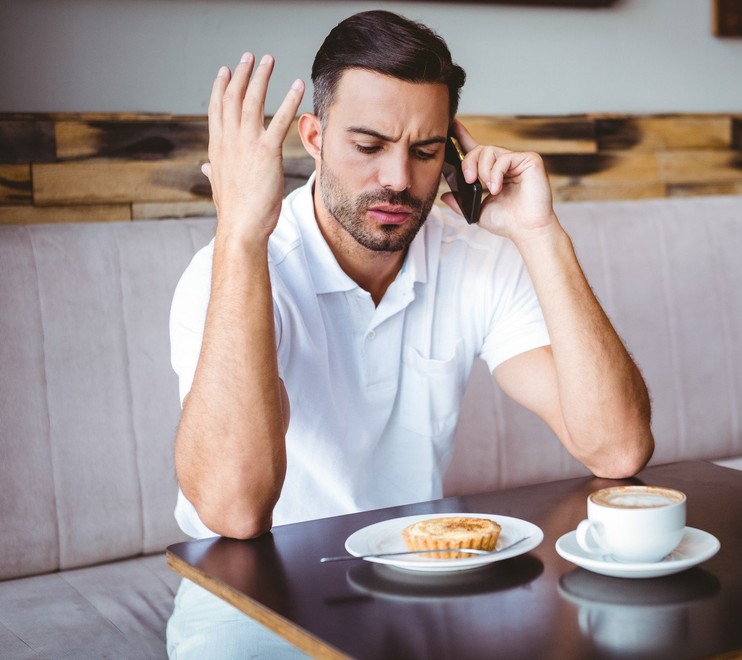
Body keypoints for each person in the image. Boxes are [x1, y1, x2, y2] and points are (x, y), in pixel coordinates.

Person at [167, 9, 654, 656]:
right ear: (312, 138)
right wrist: (239, 235)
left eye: (424, 151)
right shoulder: (233, 270)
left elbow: (617, 449)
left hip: (419, 589)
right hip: (248, 605)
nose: (398, 178)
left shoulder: (472, 258)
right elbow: (234, 510)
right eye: (368, 146)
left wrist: (541, 236)